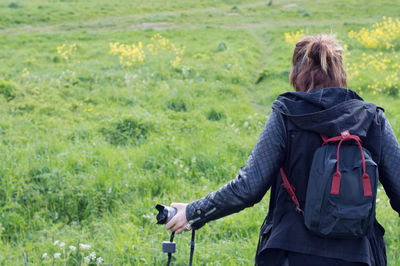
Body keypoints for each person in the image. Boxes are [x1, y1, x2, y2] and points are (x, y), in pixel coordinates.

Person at [165, 34, 400, 265]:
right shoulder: (372, 119)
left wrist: (195, 212)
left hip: (291, 250)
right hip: (359, 255)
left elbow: (248, 187)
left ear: (297, 74)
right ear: (340, 73)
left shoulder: (286, 116)